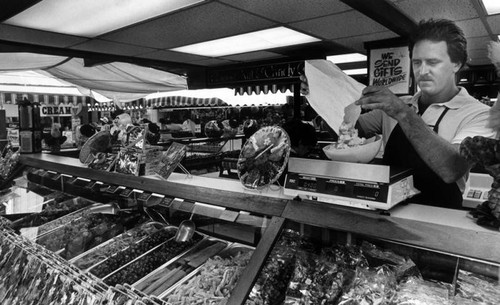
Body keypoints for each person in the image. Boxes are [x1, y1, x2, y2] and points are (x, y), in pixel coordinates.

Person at [300, 19, 497, 209]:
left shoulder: (480, 115)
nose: (423, 71)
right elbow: (347, 131)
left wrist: (403, 113)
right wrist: (322, 97)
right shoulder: (399, 105)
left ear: (457, 64)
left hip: (438, 218)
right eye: (417, 62)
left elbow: (451, 169)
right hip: (387, 212)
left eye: (433, 62)